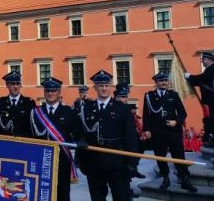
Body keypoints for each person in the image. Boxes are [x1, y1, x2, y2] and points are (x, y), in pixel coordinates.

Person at [78, 70, 138, 201]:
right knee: (97, 197)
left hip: (117, 162)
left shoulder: (122, 108)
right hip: (94, 163)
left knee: (121, 197)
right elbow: (81, 132)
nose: (104, 88)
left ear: (111, 87)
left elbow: (131, 137)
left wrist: (132, 163)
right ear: (94, 87)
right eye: (100, 86)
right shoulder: (87, 108)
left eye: (106, 85)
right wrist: (81, 159)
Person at [30, 77, 87, 201]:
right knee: (42, 194)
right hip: (41, 160)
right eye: (48, 91)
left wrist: (81, 139)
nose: (50, 93)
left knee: (62, 194)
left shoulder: (68, 112)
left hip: (61, 161)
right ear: (44, 92)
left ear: (59, 92)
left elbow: (78, 132)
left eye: (53, 91)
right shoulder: (36, 112)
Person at [142, 73, 197, 192]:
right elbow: (146, 114)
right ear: (156, 82)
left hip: (173, 131)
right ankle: (165, 179)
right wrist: (146, 129)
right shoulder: (149, 96)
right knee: (161, 157)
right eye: (161, 81)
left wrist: (176, 122)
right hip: (158, 132)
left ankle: (184, 179)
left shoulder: (173, 95)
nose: (164, 83)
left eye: (165, 80)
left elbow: (183, 113)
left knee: (179, 156)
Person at [186, 52, 214, 147]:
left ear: (209, 59)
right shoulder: (209, 69)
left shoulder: (213, 68)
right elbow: (202, 81)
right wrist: (192, 80)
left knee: (210, 118)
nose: (202, 61)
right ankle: (209, 136)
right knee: (208, 118)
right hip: (208, 99)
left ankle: (212, 137)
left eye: (203, 59)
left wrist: (190, 77)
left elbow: (203, 78)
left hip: (211, 99)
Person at [0, 72, 34, 136]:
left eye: (17, 84)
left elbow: (32, 127)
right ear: (7, 85)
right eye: (12, 84)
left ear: (21, 85)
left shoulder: (29, 103)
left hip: (23, 142)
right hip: (5, 141)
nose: (15, 87)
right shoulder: (0, 103)